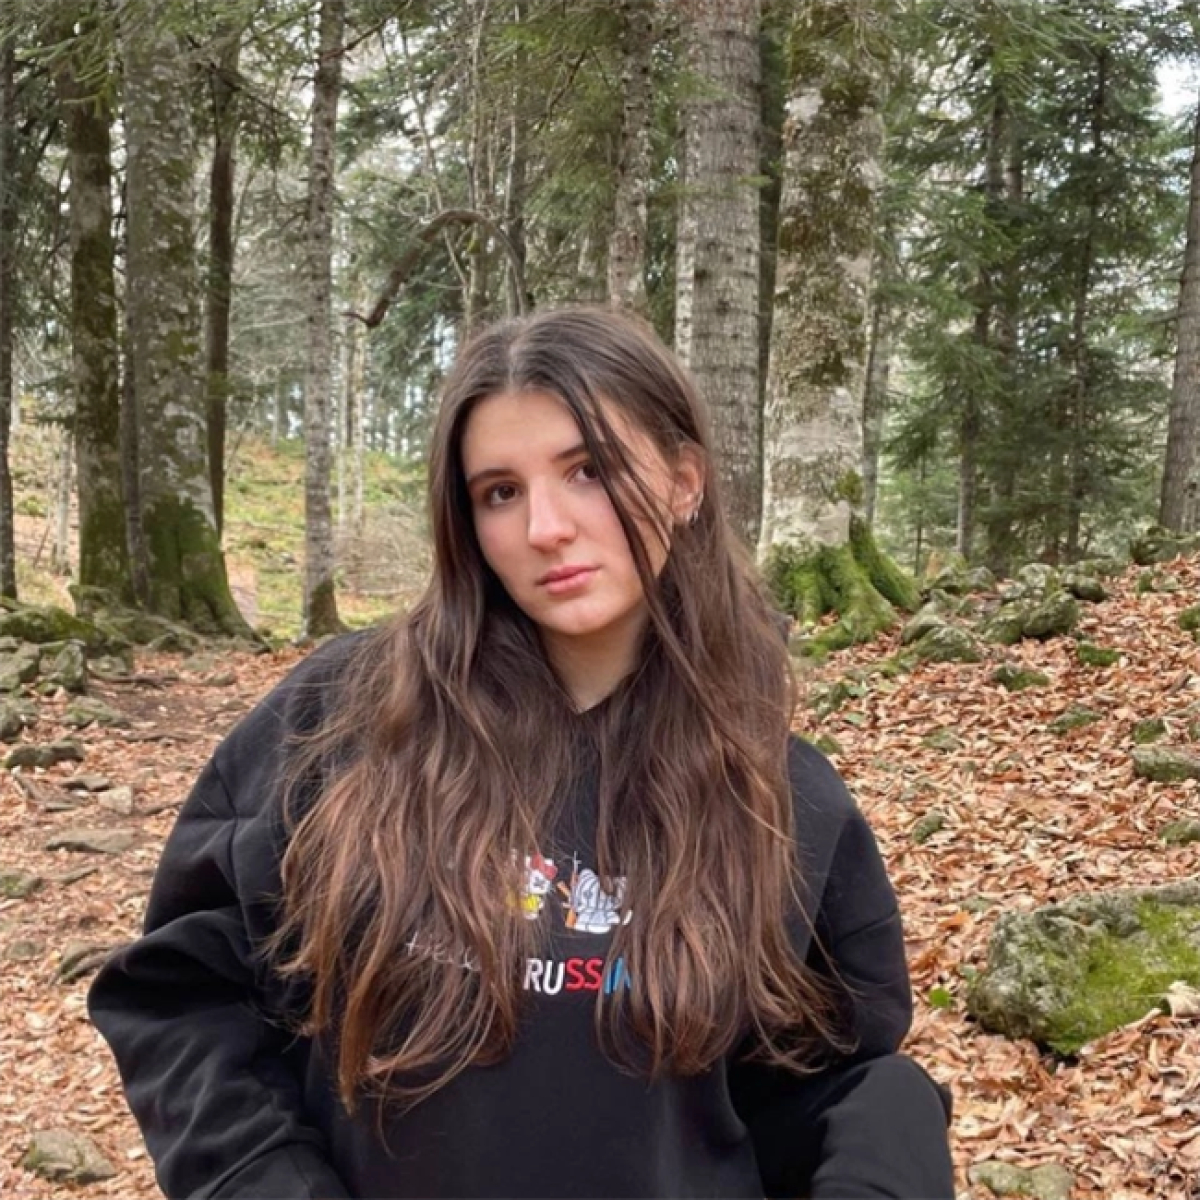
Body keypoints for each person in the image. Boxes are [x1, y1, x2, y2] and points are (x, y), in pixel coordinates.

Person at [89, 306, 955, 1199]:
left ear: (683, 482)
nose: (546, 526)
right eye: (500, 492)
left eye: (589, 471)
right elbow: (184, 995)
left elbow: (828, 1087)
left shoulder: (777, 797)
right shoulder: (345, 721)